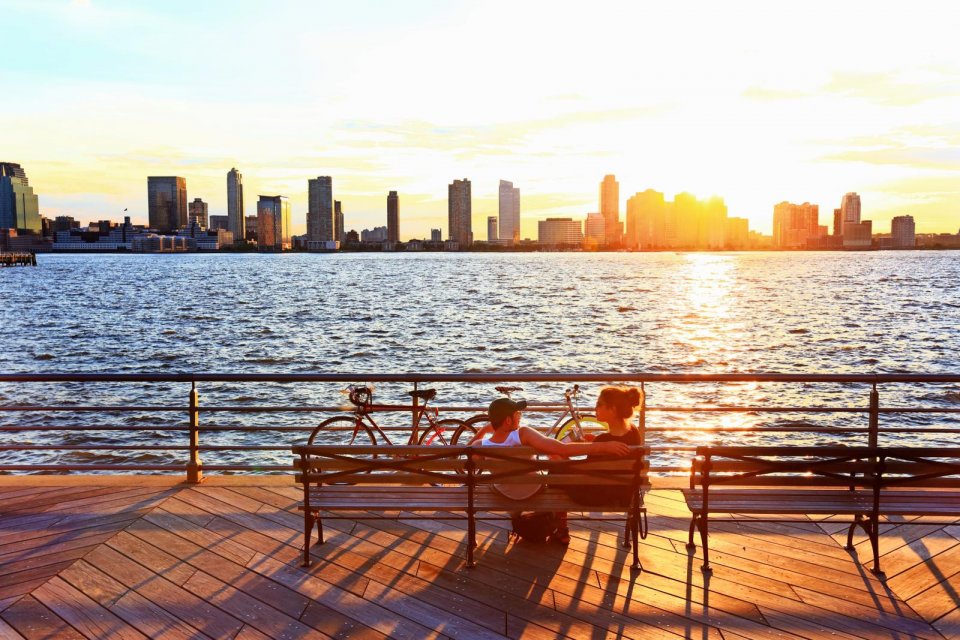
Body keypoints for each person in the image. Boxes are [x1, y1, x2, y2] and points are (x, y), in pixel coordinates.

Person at [470, 396, 632, 543]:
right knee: (554, 469)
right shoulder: (523, 434)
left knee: (493, 484)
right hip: (533, 491)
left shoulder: (480, 446)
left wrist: (485, 430)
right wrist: (603, 446)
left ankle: (517, 520)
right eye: (517, 414)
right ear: (507, 421)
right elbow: (562, 449)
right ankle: (562, 529)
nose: (520, 416)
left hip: (504, 494)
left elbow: (466, 453)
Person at [565, 386, 644, 507]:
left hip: (598, 497)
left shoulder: (602, 440)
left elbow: (587, 472)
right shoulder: (633, 432)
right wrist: (595, 442)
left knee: (556, 461)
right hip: (623, 494)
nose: (595, 408)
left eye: (599, 404)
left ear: (612, 409)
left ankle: (558, 522)